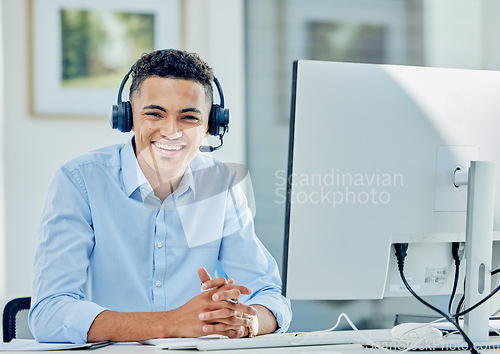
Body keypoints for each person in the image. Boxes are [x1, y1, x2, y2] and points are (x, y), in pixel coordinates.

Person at [28, 49, 292, 344]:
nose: (171, 131)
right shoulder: (80, 181)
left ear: (210, 126)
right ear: (127, 117)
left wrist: (243, 321)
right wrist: (173, 323)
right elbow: (49, 314)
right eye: (155, 114)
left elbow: (271, 296)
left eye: (189, 117)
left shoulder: (220, 186)